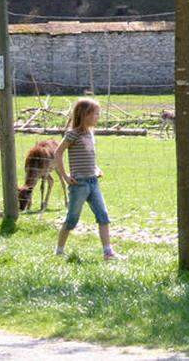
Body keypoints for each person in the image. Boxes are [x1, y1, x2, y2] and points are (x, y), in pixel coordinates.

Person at [53, 97, 119, 260]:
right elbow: (58, 153)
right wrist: (65, 176)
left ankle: (108, 252)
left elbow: (88, 156)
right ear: (85, 115)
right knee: (72, 219)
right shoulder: (72, 134)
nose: (98, 117)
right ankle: (59, 251)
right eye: (96, 114)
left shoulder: (90, 133)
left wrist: (96, 168)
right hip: (79, 184)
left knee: (103, 216)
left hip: (93, 182)